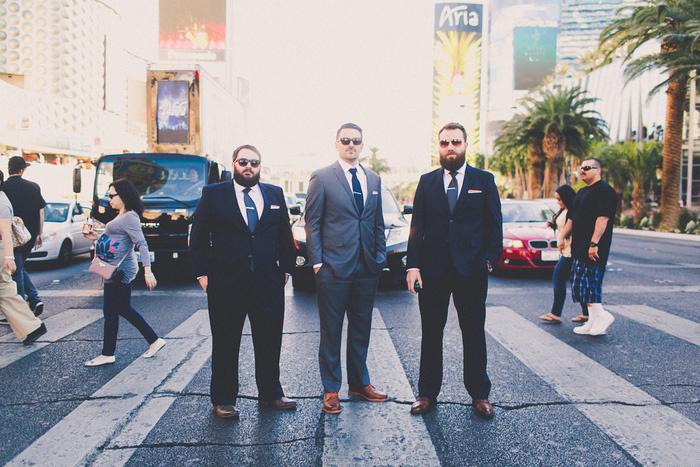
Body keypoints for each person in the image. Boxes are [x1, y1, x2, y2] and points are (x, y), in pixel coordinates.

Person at [189, 145, 297, 419]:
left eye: (255, 162)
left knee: (270, 341)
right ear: (234, 164)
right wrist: (203, 274)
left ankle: (272, 393)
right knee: (226, 342)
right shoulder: (214, 194)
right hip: (226, 283)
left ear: (260, 166)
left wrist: (285, 269)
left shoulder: (274, 194)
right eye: (244, 161)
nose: (249, 166)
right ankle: (224, 398)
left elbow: (284, 233)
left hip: (267, 283)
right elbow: (198, 236)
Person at [406, 122, 502, 419]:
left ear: (465, 145)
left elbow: (493, 225)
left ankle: (480, 395)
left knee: (473, 333)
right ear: (439, 146)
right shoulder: (426, 181)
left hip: (472, 271)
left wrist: (488, 260)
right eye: (445, 143)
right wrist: (413, 266)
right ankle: (426, 393)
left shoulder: (483, 180)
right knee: (431, 333)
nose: (450, 148)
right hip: (432, 272)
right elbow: (417, 227)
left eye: (456, 142)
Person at [304, 123, 388, 414]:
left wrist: (379, 256)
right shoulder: (323, 177)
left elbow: (377, 222)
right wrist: (317, 264)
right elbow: (312, 222)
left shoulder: (374, 179)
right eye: (345, 140)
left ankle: (359, 384)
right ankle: (331, 389)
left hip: (367, 266)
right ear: (336, 143)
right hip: (333, 267)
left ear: (362, 145)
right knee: (331, 330)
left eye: (356, 141)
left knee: (361, 328)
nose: (351, 145)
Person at [82, 178, 165, 367]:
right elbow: (115, 240)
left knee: (110, 310)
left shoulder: (129, 216)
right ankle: (154, 340)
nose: (109, 199)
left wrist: (148, 271)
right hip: (118, 267)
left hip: (119, 270)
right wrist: (95, 237)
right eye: (108, 195)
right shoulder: (123, 215)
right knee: (123, 308)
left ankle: (107, 353)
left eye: (112, 195)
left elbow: (141, 243)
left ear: (124, 195)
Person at [561, 158, 617, 336]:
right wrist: (562, 236)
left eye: (586, 168)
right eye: (581, 168)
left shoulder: (605, 191)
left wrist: (594, 243)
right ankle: (592, 320)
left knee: (590, 283)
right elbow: (572, 217)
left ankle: (602, 316)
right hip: (579, 246)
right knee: (580, 284)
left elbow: (603, 219)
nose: (582, 171)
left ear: (597, 170)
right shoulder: (582, 191)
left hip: (594, 248)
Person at [0, 169, 47, 344]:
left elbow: (5, 232)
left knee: (6, 290)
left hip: (1, 251)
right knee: (5, 291)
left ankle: (32, 326)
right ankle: (32, 327)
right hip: (2, 251)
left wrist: (9, 257)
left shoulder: (1, 202)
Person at [539, 185, 589, 324]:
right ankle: (586, 313)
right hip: (565, 250)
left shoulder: (574, 211)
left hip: (572, 251)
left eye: (560, 199)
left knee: (558, 277)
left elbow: (571, 227)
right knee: (575, 282)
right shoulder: (564, 210)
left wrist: (561, 239)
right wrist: (553, 225)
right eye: (557, 199)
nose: (558, 202)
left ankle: (556, 313)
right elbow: (562, 226)